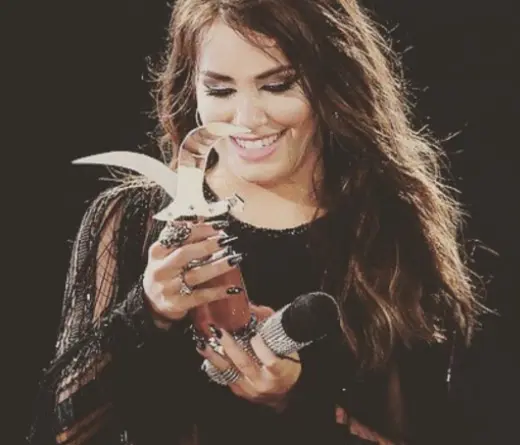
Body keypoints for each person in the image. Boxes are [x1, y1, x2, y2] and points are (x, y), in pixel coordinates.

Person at [27, 1, 486, 444]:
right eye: (220, 91)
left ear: (332, 81)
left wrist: (297, 403)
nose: (246, 120)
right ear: (192, 89)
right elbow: (62, 430)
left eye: (278, 85)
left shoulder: (390, 228)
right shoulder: (131, 218)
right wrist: (148, 311)